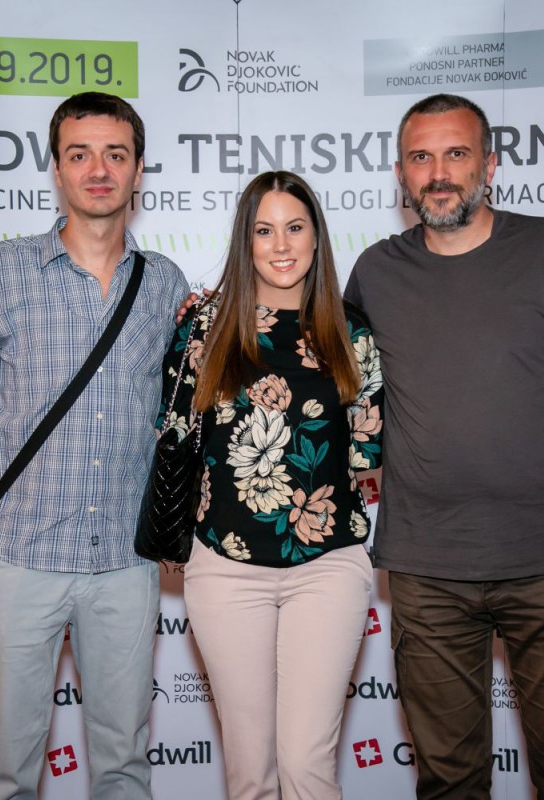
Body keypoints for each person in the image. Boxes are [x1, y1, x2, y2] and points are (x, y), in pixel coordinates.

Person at [344, 94, 544, 799]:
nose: (438, 173)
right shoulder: (375, 272)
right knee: (449, 782)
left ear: (491, 165)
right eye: (421, 157)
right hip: (427, 570)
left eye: (456, 153)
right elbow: (325, 375)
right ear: (401, 174)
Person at [0, 92, 190, 800]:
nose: (98, 170)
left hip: (126, 565)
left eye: (115, 154)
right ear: (57, 169)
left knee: (124, 766)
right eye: (80, 155)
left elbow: (184, 415)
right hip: (19, 559)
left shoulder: (166, 284)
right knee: (8, 771)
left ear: (139, 170)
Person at [161, 171, 384, 800]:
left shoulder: (352, 331)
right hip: (225, 568)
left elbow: (367, 451)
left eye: (294, 228)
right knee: (249, 771)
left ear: (316, 238)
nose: (281, 245)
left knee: (307, 766)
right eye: (264, 230)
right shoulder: (203, 327)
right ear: (246, 241)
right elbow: (174, 436)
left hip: (328, 567)